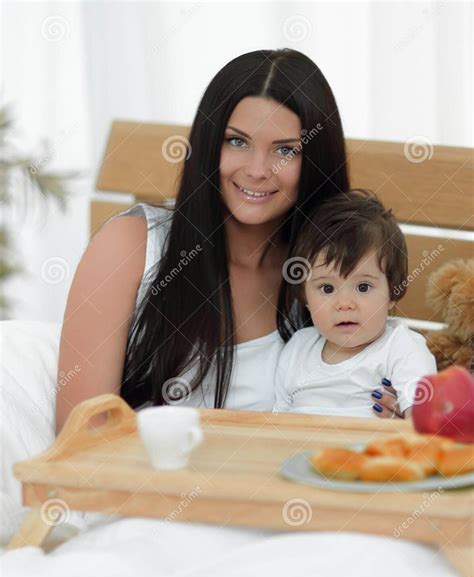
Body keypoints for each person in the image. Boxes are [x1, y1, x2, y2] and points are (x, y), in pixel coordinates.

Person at [54, 48, 399, 435]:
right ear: (208, 145)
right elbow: (80, 435)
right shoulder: (131, 245)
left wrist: (392, 416)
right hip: (148, 488)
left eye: (286, 150)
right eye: (237, 142)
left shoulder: (332, 273)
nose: (256, 170)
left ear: (316, 160)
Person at [273, 190, 437, 418]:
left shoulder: (402, 348)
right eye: (327, 288)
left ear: (392, 291)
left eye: (363, 287)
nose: (344, 304)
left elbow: (422, 421)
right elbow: (275, 422)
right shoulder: (298, 349)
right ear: (305, 297)